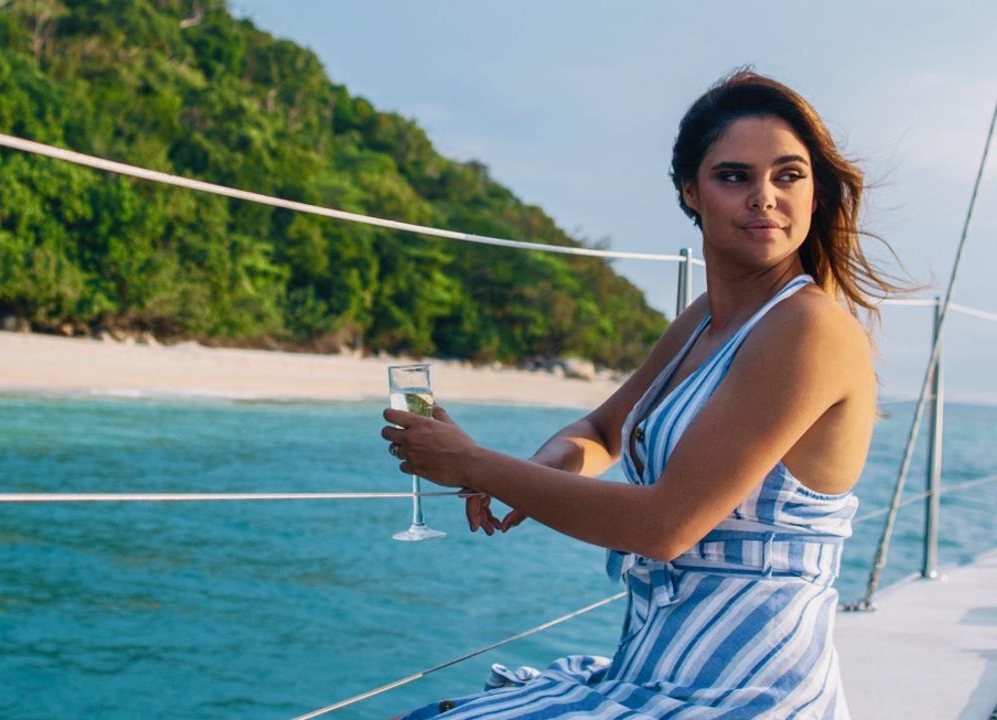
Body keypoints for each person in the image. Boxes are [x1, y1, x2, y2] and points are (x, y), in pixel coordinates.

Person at [381, 69, 908, 719]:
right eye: (735, 176)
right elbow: (603, 433)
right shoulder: (706, 322)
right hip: (653, 672)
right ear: (692, 192)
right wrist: (536, 472)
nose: (765, 197)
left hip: (745, 694)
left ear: (815, 190)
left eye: (788, 175)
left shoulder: (809, 329)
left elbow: (666, 527)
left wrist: (476, 465)